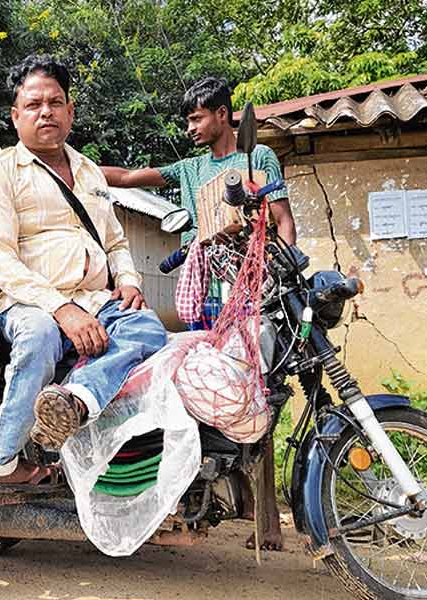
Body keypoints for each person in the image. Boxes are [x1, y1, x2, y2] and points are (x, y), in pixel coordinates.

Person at [101, 77, 294, 550]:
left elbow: (283, 220)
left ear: (223, 115)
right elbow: (128, 177)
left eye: (197, 117)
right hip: (203, 293)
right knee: (206, 393)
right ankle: (231, 497)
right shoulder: (189, 169)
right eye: (187, 119)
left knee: (256, 394)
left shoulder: (258, 158)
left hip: (252, 289)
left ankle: (267, 522)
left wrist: (282, 272)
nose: (190, 127)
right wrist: (71, 165)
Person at [0, 55, 168, 491]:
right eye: (34, 104)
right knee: (39, 336)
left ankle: (75, 400)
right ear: (15, 114)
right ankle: (1, 460)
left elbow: (114, 242)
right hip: (28, 304)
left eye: (56, 103)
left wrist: (130, 280)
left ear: (70, 111)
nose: (46, 112)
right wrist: (62, 309)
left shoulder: (90, 171)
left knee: (151, 331)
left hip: (96, 301)